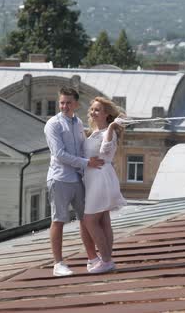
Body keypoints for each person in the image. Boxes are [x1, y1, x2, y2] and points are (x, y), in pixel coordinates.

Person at [44, 86, 105, 277]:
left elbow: (81, 149)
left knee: (85, 219)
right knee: (59, 219)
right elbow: (60, 154)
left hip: (78, 178)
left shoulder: (78, 123)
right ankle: (58, 263)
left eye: (68, 102)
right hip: (60, 178)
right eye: (62, 102)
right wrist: (88, 163)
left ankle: (92, 259)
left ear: (76, 104)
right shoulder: (53, 124)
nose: (64, 106)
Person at [82, 97, 128, 273]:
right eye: (92, 109)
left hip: (100, 178)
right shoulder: (93, 132)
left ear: (107, 114)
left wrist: (111, 127)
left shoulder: (108, 132)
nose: (93, 112)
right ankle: (107, 259)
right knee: (103, 220)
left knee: (90, 220)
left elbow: (105, 151)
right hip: (93, 178)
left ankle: (106, 260)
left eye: (97, 110)